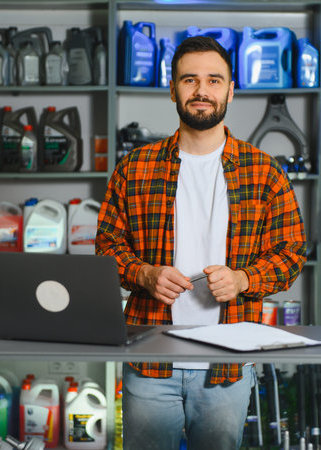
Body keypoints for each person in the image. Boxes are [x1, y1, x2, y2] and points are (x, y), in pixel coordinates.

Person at [95, 36, 306, 450]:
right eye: (190, 80)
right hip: (151, 358)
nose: (201, 91)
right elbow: (106, 246)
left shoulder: (264, 171)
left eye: (214, 80)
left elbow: (292, 253)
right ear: (172, 89)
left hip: (226, 364)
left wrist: (245, 279)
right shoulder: (135, 166)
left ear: (230, 90)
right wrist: (144, 273)